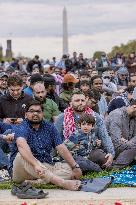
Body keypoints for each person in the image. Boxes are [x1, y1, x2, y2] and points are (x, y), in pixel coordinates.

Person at [10, 100, 82, 191]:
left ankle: (39, 181)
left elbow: (61, 147)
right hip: (23, 169)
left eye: (38, 111)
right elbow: (21, 145)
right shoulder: (21, 127)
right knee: (21, 155)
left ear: (42, 113)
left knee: (68, 169)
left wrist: (75, 166)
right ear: (26, 114)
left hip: (44, 166)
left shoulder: (50, 127)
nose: (35, 114)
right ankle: (62, 182)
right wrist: (36, 164)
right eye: (32, 111)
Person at [55, 90, 115, 169]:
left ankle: (90, 166)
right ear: (70, 103)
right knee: (78, 164)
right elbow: (55, 140)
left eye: (82, 100)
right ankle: (91, 167)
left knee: (106, 159)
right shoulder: (61, 118)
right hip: (71, 154)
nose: (80, 103)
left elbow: (104, 136)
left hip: (90, 152)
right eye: (77, 100)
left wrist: (111, 153)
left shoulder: (95, 116)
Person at [106, 100, 136, 169]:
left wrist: (128, 143)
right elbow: (116, 142)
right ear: (134, 107)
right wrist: (131, 144)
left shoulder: (134, 117)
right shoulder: (117, 115)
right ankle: (113, 165)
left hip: (126, 146)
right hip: (111, 149)